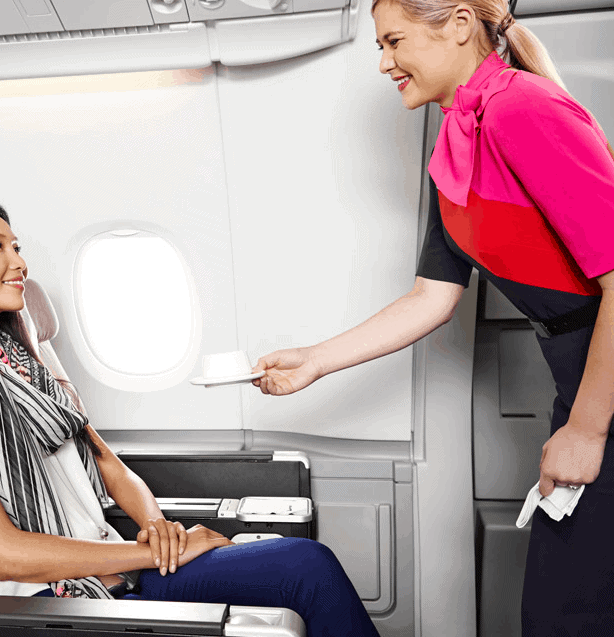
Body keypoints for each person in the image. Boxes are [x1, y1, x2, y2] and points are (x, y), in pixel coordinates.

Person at [252, 1, 614, 635]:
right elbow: (431, 297)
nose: (385, 62)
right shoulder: (457, 139)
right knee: (561, 611)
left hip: (599, 392)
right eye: (379, 47)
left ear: (459, 24)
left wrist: (585, 427)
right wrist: (314, 360)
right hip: (581, 383)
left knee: (568, 614)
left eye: (394, 41)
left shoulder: (522, 109)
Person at [0, 197, 379, 637]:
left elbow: (110, 466)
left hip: (110, 570)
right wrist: (155, 553)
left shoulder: (17, 363)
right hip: (45, 607)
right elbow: (2, 553)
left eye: (18, 247)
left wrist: (159, 529)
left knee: (304, 565)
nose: (20, 262)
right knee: (304, 570)